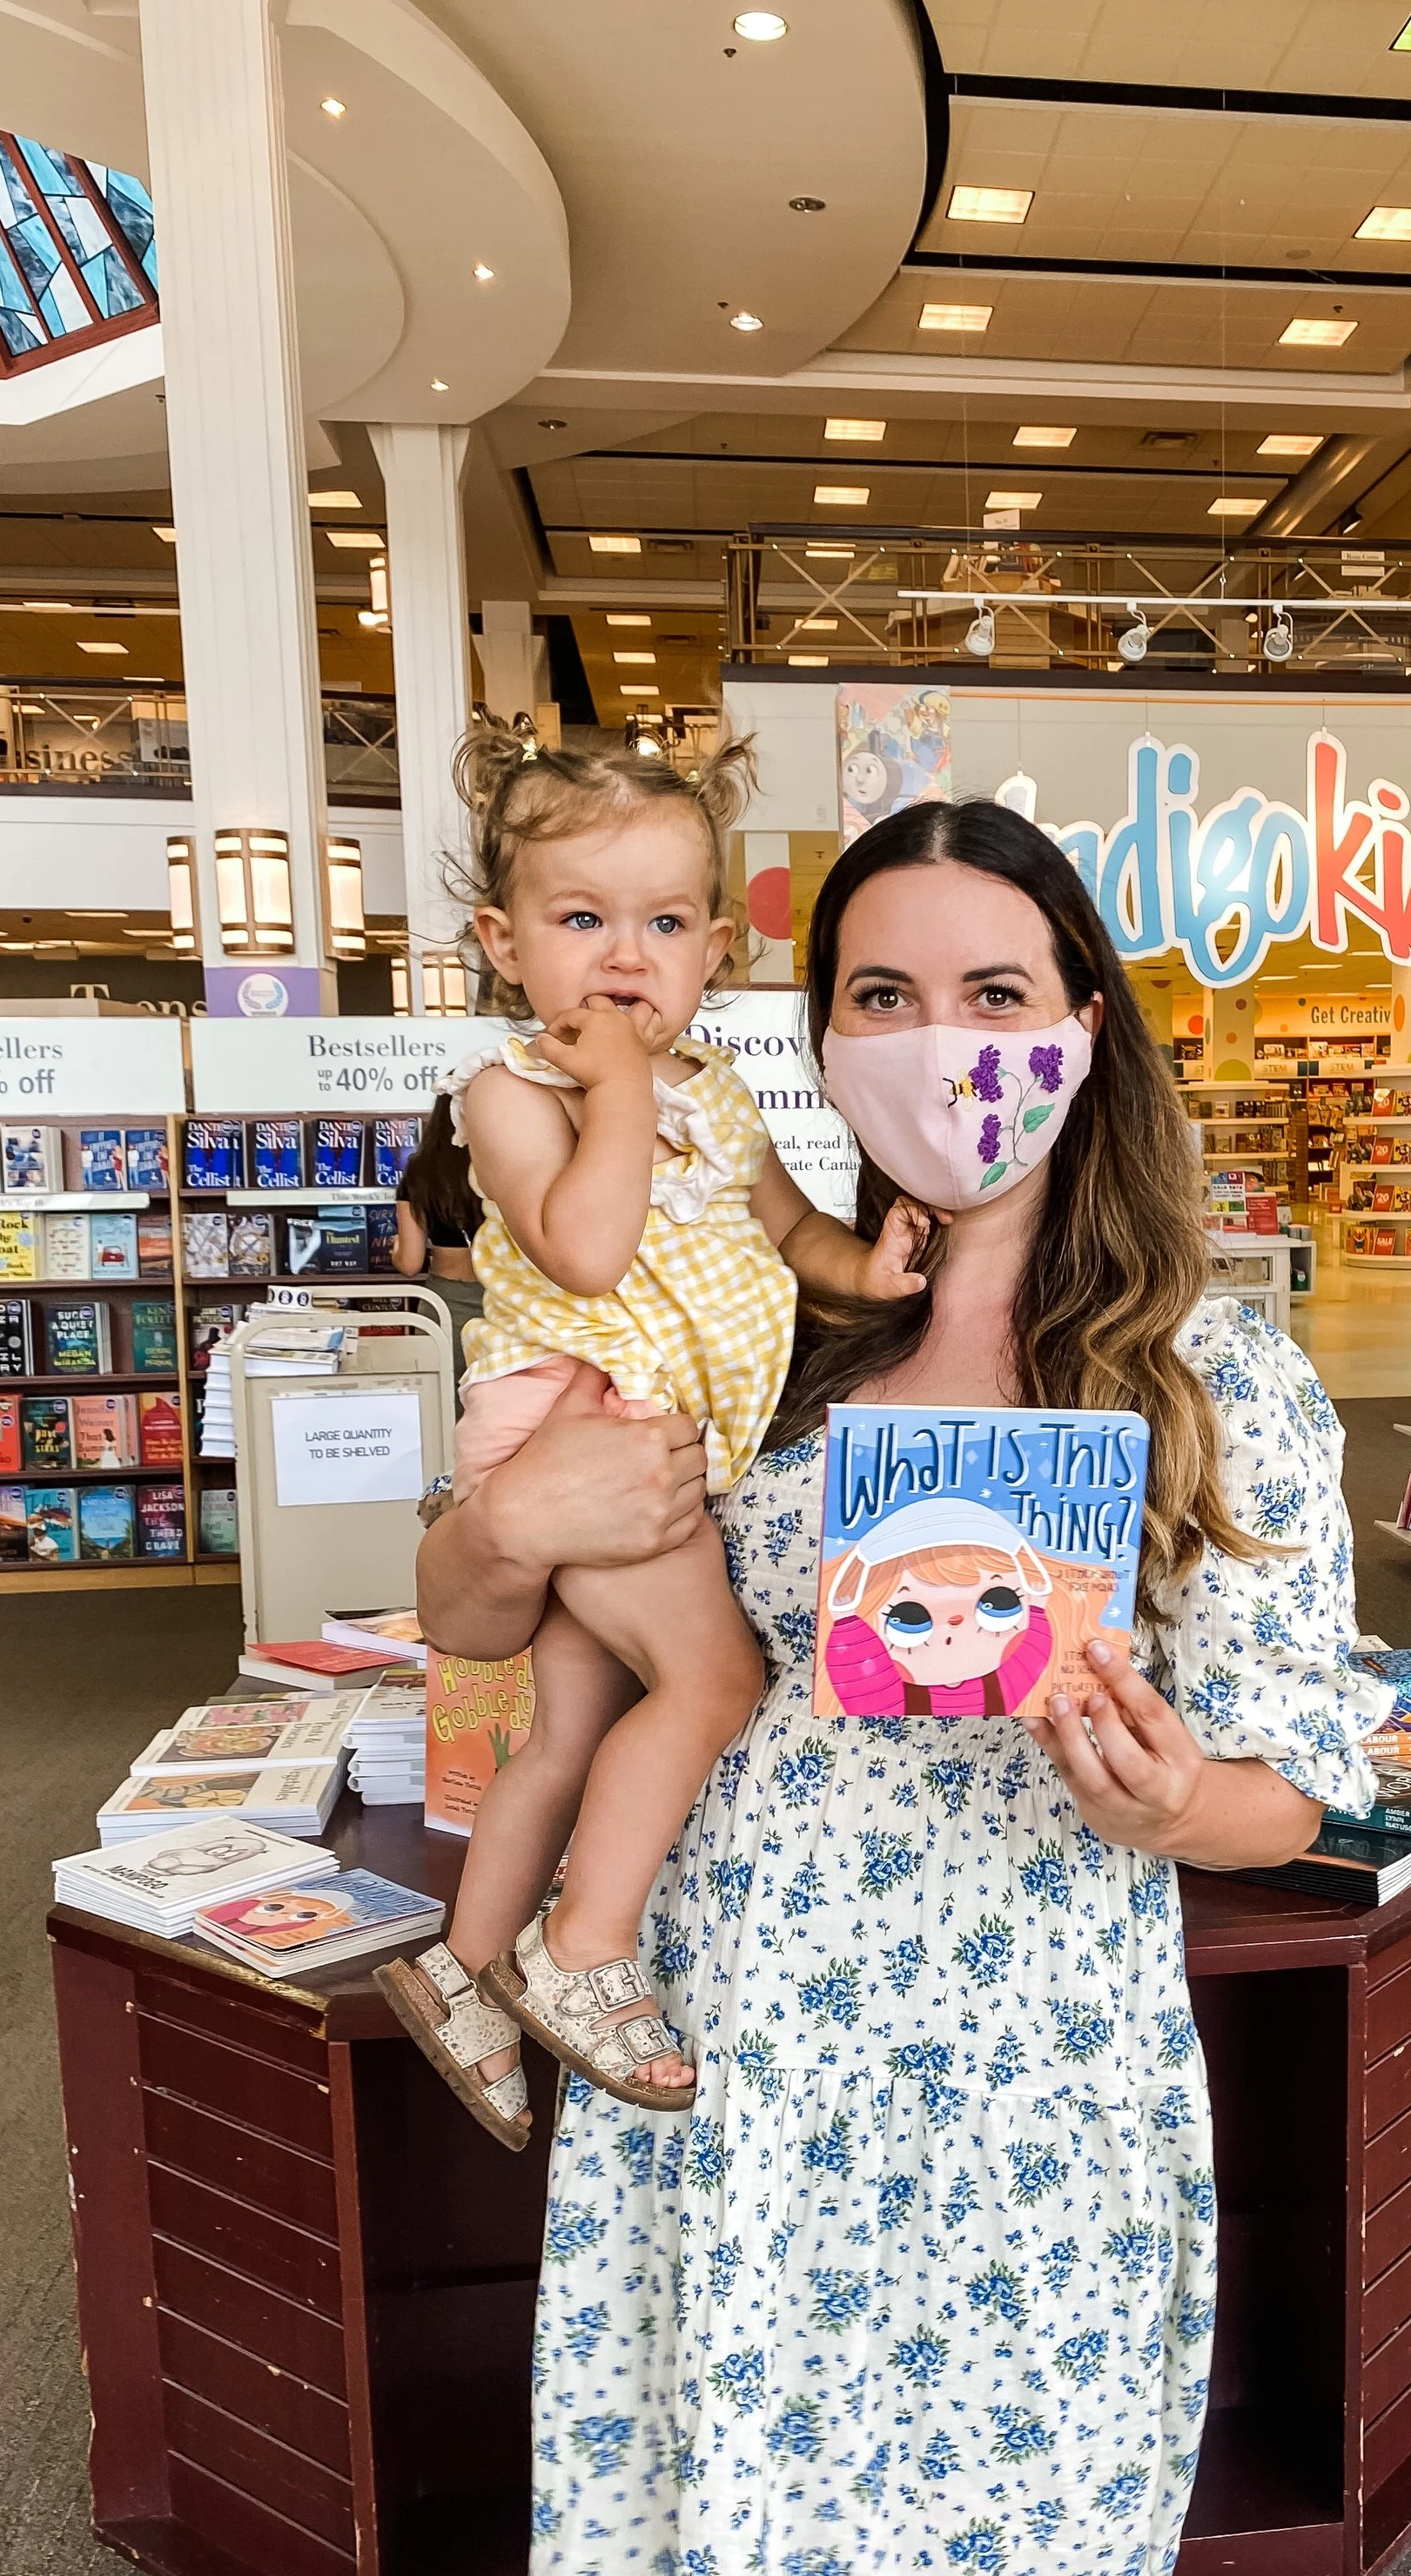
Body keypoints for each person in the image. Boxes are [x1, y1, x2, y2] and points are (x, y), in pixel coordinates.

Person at [417, 796, 1390, 2576]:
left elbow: (1297, 1776)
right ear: (816, 1032)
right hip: (729, 2084)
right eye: (881, 995)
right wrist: (493, 1529)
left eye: (995, 993)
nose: (942, 1045)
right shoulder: (751, 1330)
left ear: (1087, 1024)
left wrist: (1170, 1798)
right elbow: (489, 1631)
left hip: (1030, 2106)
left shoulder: (1213, 1370)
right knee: (706, 2555)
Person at [376, 719, 927, 2149]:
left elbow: (785, 1224)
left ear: (712, 950)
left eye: (665, 921)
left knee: (569, 1726)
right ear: (505, 943)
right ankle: (585, 1945)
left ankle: (460, 1964)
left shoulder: (721, 1094)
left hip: (642, 1429)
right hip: (584, 1423)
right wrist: (617, 1086)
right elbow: (586, 1246)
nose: (627, 956)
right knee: (712, 1678)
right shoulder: (514, 1092)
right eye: (582, 918)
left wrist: (861, 1268)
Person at [391, 1092, 486, 1370]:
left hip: (445, 1303)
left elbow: (410, 1264)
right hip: (508, 1298)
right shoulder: (503, 1164)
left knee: (444, 1402)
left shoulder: (421, 1169)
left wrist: (397, 1249)